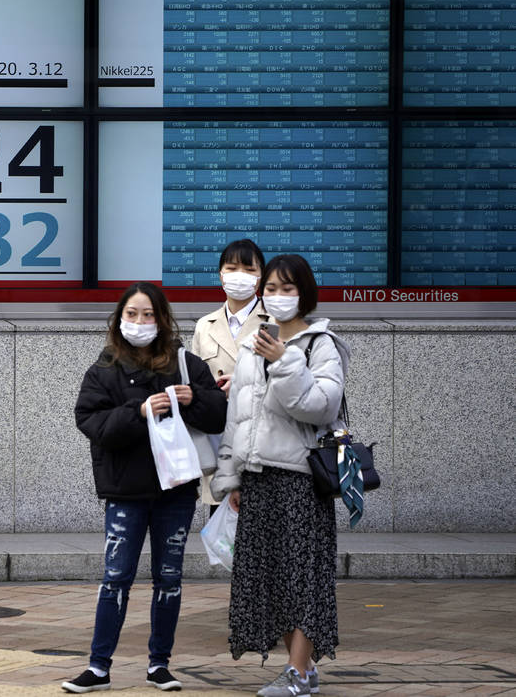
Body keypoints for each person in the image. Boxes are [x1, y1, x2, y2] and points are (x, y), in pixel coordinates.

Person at [66, 282, 227, 693]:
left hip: (175, 491)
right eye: (133, 314)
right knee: (115, 576)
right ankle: (98, 667)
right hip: (125, 491)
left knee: (169, 578)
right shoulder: (103, 369)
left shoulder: (186, 363)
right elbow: (92, 424)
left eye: (149, 314)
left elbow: (219, 416)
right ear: (119, 319)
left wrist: (194, 399)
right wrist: (137, 411)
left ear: (163, 319)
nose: (140, 322)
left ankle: (159, 665)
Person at [209, 255, 350, 697]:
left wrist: (285, 362)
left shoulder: (320, 345)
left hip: (301, 481)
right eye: (270, 288)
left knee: (302, 578)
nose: (277, 297)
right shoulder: (255, 342)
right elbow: (240, 416)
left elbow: (319, 407)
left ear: (304, 293)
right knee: (269, 579)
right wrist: (231, 478)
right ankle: (301, 670)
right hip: (258, 477)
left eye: (287, 289)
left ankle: (298, 672)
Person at [191, 239, 269, 507]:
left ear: (260, 278)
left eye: (249, 269)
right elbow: (194, 380)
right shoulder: (205, 325)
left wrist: (243, 382)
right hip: (218, 434)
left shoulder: (274, 322)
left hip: (262, 436)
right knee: (220, 531)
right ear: (221, 275)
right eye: (232, 268)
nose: (240, 275)